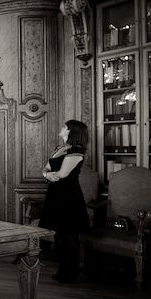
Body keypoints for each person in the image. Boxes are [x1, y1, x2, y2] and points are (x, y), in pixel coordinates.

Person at [39, 120, 90, 283]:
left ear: (70, 132)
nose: (61, 128)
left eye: (64, 127)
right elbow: (45, 168)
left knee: (70, 234)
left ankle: (70, 272)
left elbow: (62, 174)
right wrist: (46, 174)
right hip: (55, 194)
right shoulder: (60, 148)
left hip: (69, 196)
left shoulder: (77, 151)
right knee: (59, 233)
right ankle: (62, 270)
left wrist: (48, 175)